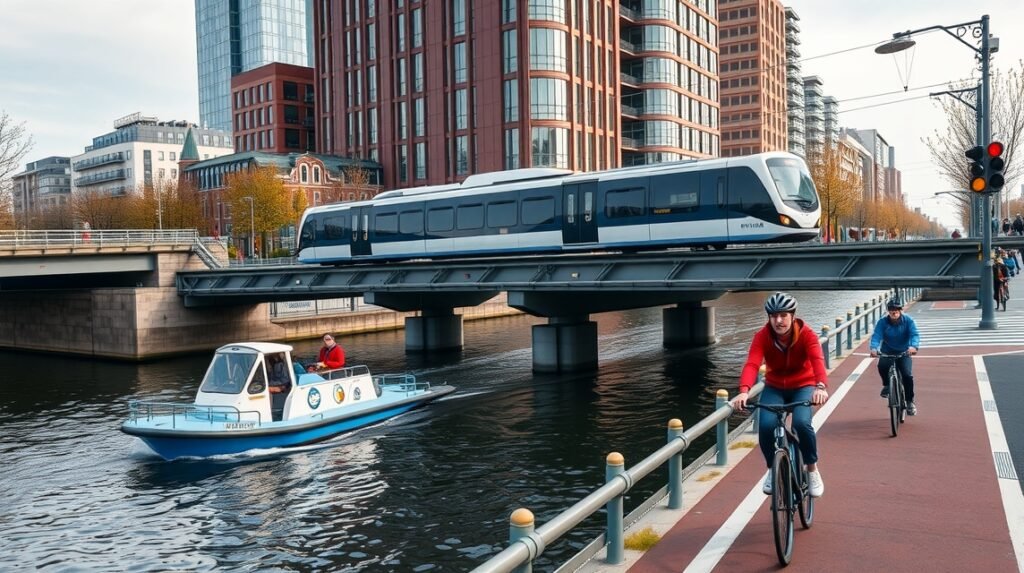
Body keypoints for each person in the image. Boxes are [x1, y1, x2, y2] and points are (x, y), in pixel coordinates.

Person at [732, 292, 828, 498]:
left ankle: (812, 469)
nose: (778, 321)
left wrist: (820, 386)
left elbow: (817, 359)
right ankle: (771, 469)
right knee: (765, 426)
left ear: (792, 316)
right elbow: (752, 363)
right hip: (775, 387)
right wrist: (744, 391)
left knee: (802, 424)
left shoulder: (807, 335)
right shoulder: (762, 336)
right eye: (773, 316)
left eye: (783, 315)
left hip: (804, 385)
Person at [869, 298, 920, 415]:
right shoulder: (882, 322)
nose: (894, 311)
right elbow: (876, 335)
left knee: (907, 375)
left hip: (904, 352)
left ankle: (909, 402)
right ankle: (887, 385)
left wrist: (913, 347)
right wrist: (874, 348)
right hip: (887, 351)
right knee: (881, 366)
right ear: (888, 311)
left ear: (901, 310)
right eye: (891, 309)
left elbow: (914, 334)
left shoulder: (908, 321)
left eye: (897, 309)